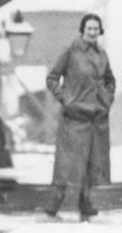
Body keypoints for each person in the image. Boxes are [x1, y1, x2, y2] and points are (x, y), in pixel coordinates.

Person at [44, 14, 115, 222]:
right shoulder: (71, 51)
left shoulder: (102, 54)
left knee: (92, 161)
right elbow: (52, 78)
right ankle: (55, 201)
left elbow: (110, 80)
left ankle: (85, 200)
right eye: (89, 29)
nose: (92, 32)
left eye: (96, 29)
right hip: (74, 116)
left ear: (100, 31)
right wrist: (65, 98)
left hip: (96, 116)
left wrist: (106, 99)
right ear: (82, 30)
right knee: (67, 163)